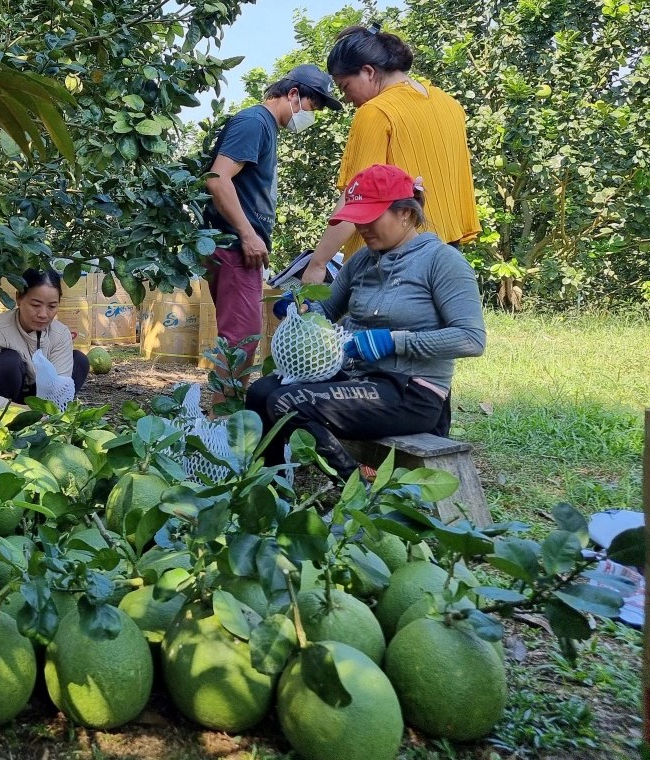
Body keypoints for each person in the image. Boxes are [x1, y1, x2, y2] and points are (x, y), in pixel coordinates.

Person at [246, 164, 486, 481]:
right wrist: (299, 309)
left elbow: (471, 339)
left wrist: (393, 341)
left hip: (412, 394)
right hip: (357, 380)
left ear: (406, 213)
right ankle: (269, 488)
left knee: (290, 402)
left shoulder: (442, 261)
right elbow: (326, 309)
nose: (362, 228)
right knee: (262, 391)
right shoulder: (362, 260)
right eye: (357, 219)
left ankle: (356, 488)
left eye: (371, 218)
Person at [301, 23, 480, 285]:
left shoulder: (376, 111)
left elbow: (356, 197)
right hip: (445, 251)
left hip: (394, 256)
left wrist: (318, 264)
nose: (347, 98)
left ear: (368, 72)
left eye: (345, 86)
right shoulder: (449, 104)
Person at [202, 64, 340, 386]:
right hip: (236, 248)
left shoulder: (264, 126)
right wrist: (248, 236)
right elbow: (218, 180)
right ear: (293, 94)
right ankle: (224, 425)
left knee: (242, 338)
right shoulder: (255, 122)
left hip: (240, 249)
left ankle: (225, 418)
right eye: (311, 106)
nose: (311, 115)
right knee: (241, 340)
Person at [0, 268, 89, 418]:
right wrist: (20, 412)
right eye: (35, 305)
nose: (43, 314)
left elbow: (59, 390)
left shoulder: (60, 334)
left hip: (33, 403)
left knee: (79, 360)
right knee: (9, 360)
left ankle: (39, 420)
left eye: (52, 306)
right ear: (19, 298)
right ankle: (0, 423)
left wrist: (46, 414)